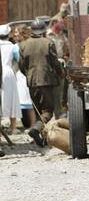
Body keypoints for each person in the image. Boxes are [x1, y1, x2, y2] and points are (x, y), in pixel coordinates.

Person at [19, 19, 64, 147]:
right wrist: (62, 74)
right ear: (44, 31)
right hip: (46, 81)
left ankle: (40, 138)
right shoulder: (48, 42)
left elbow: (22, 66)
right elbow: (55, 62)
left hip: (31, 82)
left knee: (38, 110)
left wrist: (29, 76)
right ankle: (35, 130)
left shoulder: (23, 45)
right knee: (48, 111)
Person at [11, 25, 36, 129]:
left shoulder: (28, 44)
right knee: (21, 100)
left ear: (23, 33)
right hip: (20, 74)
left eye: (17, 32)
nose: (15, 34)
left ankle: (33, 124)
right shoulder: (15, 46)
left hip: (27, 73)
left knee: (29, 100)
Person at [0, 24, 22, 135]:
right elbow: (19, 59)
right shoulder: (13, 47)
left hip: (0, 71)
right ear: (8, 35)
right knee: (12, 98)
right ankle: (13, 128)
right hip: (8, 72)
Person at [46, 18, 69, 119]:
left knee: (61, 90)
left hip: (60, 64)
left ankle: (59, 112)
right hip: (49, 65)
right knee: (52, 91)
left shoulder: (62, 35)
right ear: (55, 23)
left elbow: (67, 48)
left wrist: (66, 56)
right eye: (62, 23)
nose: (63, 25)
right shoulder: (47, 35)